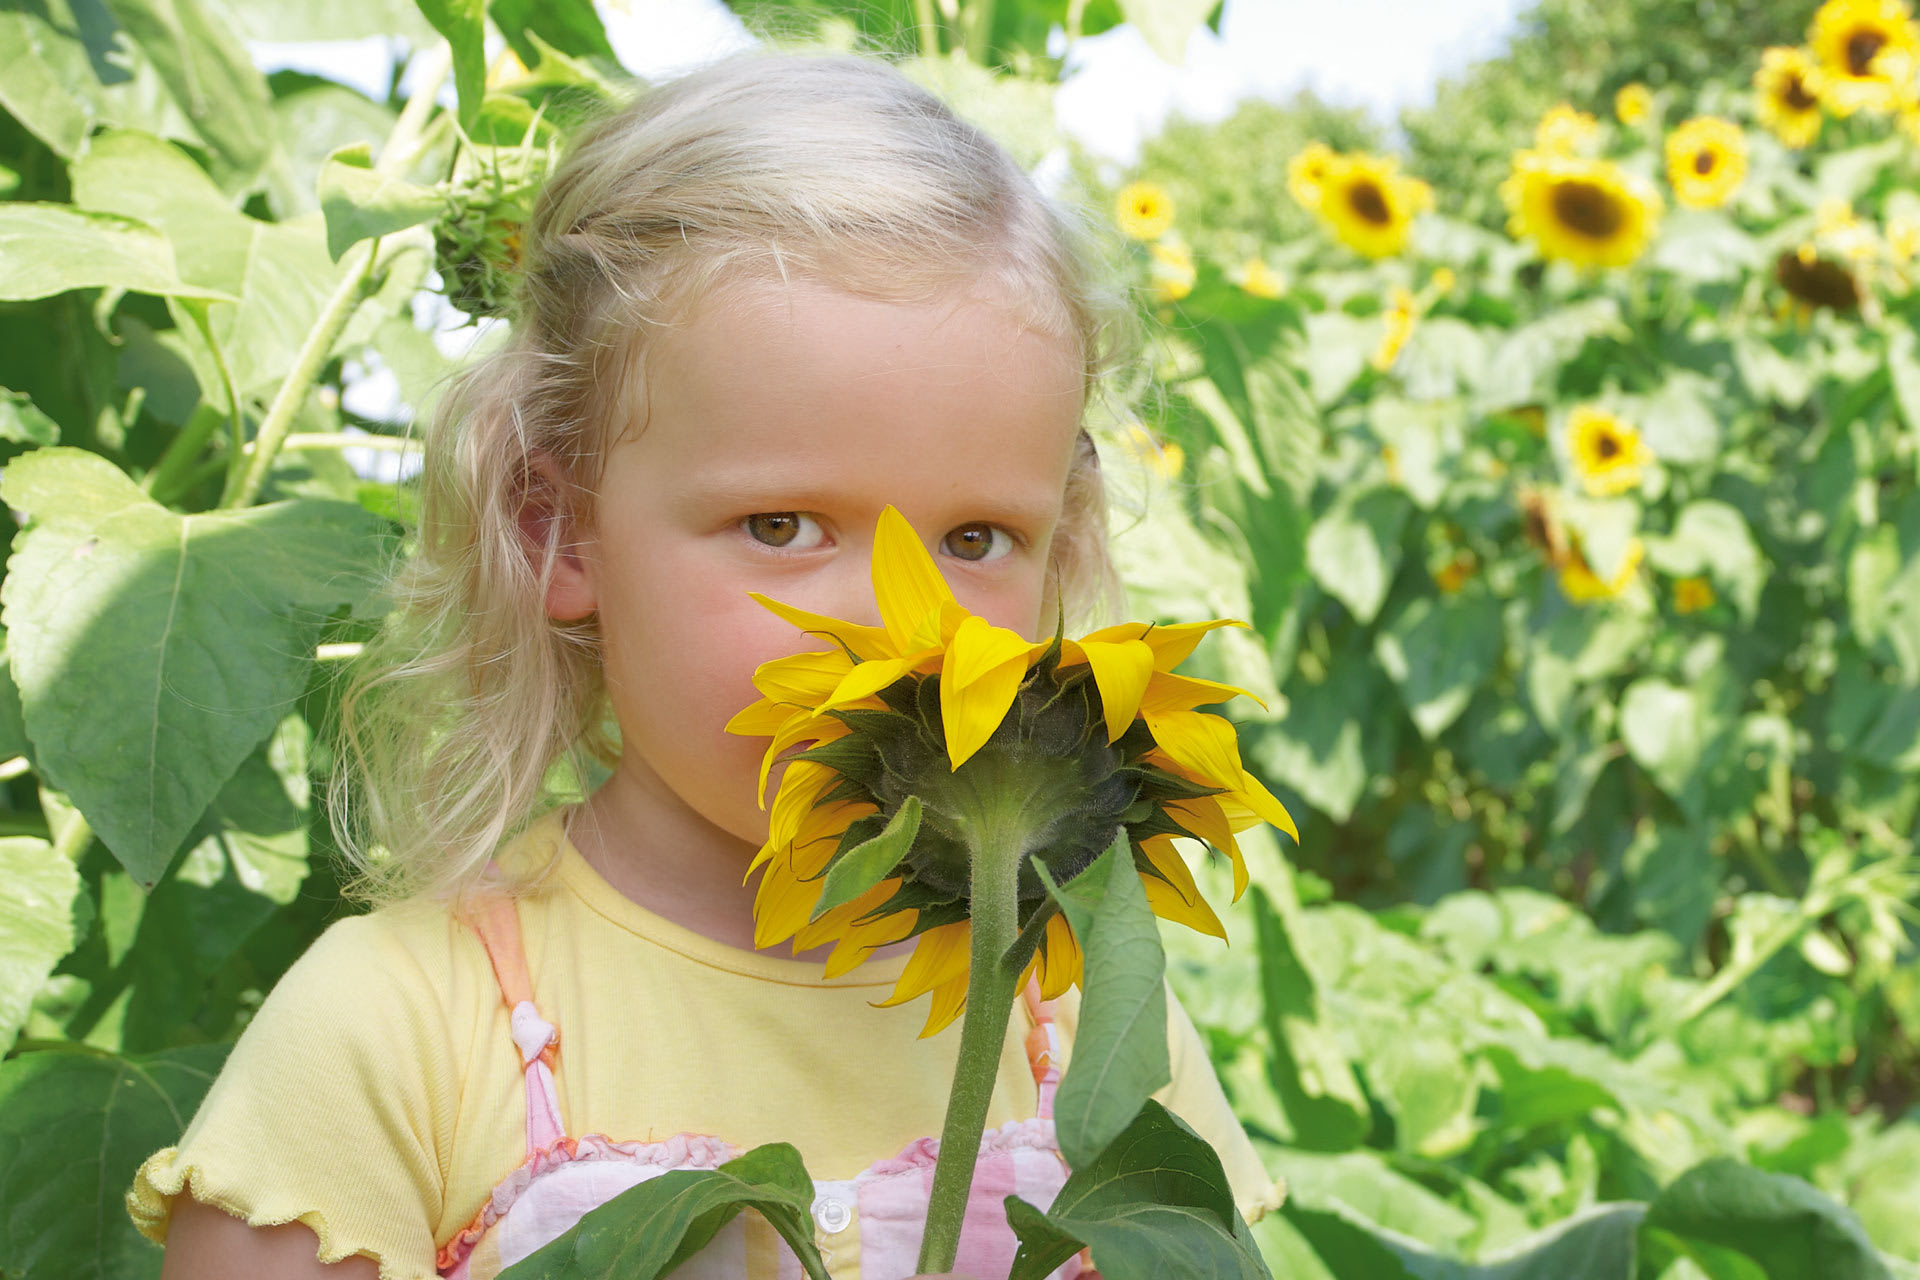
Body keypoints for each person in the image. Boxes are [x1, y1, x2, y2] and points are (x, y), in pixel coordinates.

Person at [129, 50, 1283, 1280]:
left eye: (976, 539)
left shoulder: (1081, 1024)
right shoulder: (402, 1030)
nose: (906, 632)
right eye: (781, 526)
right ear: (557, 528)